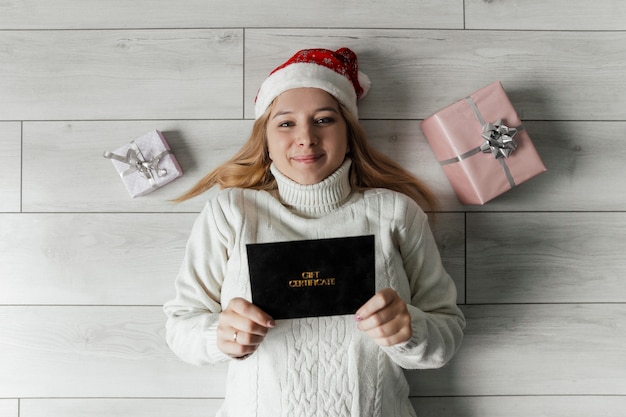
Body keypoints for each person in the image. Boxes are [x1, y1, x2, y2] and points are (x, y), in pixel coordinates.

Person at [163, 47, 465, 417]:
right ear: (266, 139)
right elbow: (181, 328)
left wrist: (410, 331)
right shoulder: (231, 212)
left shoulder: (395, 212)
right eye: (286, 123)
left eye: (324, 120)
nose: (305, 137)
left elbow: (446, 334)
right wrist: (219, 335)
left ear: (349, 132)